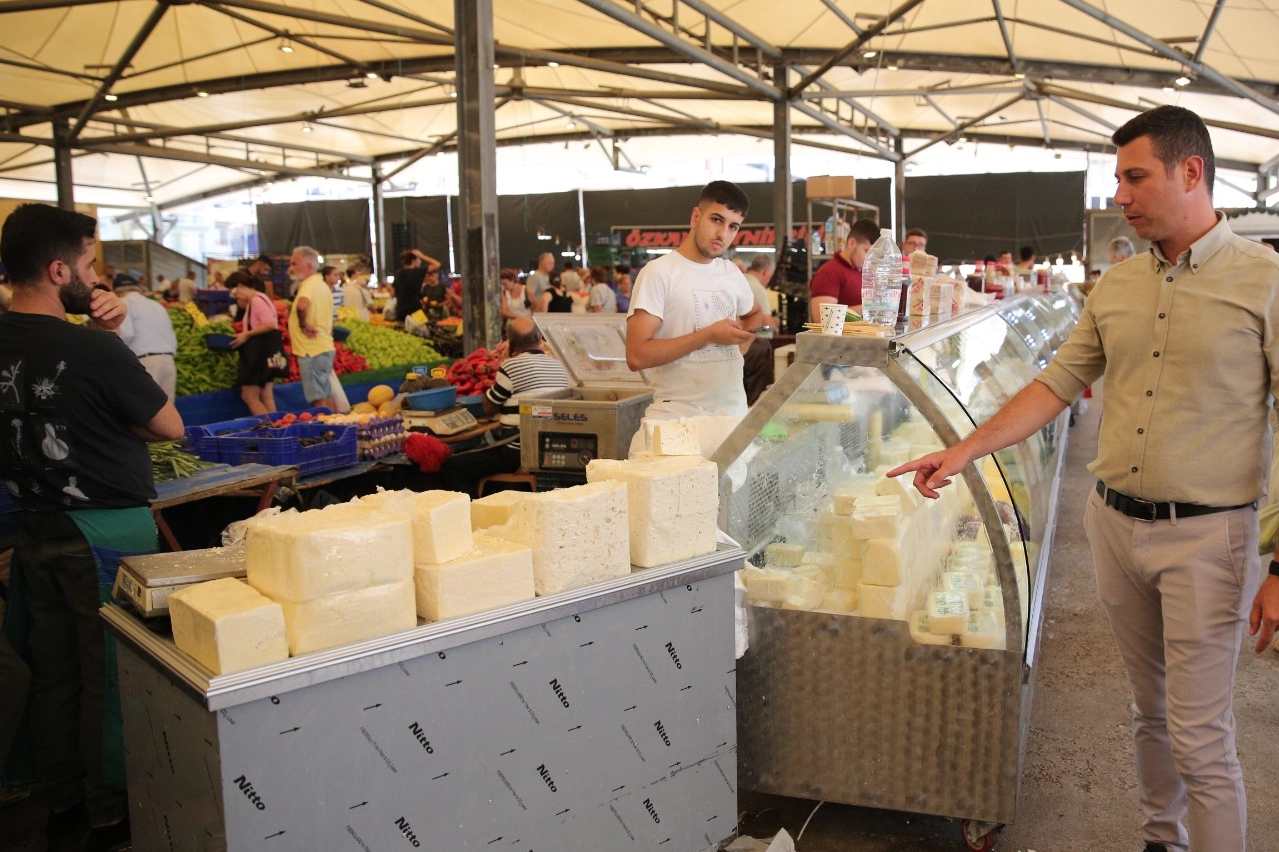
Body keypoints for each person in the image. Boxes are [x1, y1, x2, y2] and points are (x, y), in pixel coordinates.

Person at [888, 105, 1279, 852]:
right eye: (1117, 180)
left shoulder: (1261, 282)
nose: (1119, 197)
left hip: (1208, 539)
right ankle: (1160, 839)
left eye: (1135, 178)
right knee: (1148, 711)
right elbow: (1056, 382)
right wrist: (963, 451)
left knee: (1201, 736)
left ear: (1189, 172)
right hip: (1112, 526)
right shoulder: (1119, 285)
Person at [0, 203, 184, 852]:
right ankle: (111, 812)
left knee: (54, 674)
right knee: (109, 672)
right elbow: (168, 427)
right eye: (87, 265)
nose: (97, 277)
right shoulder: (91, 348)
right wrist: (107, 333)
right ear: (58, 270)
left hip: (32, 530)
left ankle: (63, 806)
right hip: (103, 531)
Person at [624, 180, 765, 434]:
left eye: (733, 226)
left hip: (731, 417)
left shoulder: (731, 273)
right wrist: (709, 335)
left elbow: (755, 313)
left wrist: (740, 348)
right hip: (675, 420)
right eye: (716, 220)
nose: (723, 234)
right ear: (696, 216)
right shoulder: (659, 272)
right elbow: (636, 356)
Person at [438, 317, 570, 497]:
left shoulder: (511, 366)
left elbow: (489, 408)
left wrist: (507, 360)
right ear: (539, 338)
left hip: (517, 449)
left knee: (454, 467)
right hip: (552, 446)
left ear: (510, 343)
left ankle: (471, 517)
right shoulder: (559, 366)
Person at [112, 275, 178, 400]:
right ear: (137, 288)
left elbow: (126, 334)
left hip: (146, 363)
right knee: (167, 413)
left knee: (145, 411)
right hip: (168, 361)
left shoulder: (123, 303)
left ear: (116, 291)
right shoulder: (156, 305)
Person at [286, 245, 335, 410]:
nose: (290, 268)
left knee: (318, 399)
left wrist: (303, 324)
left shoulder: (308, 285)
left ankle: (325, 433)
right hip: (323, 346)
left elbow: (302, 305)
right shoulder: (322, 285)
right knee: (325, 394)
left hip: (311, 350)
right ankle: (335, 428)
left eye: (294, 264)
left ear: (308, 266)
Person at [229, 270, 280, 415]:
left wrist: (246, 334)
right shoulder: (260, 298)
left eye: (233, 291)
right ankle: (277, 429)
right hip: (267, 355)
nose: (235, 296)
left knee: (249, 396)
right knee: (266, 396)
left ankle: (268, 431)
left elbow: (270, 324)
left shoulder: (256, 300)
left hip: (259, 356)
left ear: (240, 286)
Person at [809, 217, 879, 321]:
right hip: (840, 337)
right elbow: (823, 317)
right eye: (867, 251)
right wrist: (870, 308)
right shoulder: (829, 272)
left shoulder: (863, 272)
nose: (870, 259)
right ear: (852, 243)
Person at [392, 248, 440, 323]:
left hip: (400, 310)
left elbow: (393, 292)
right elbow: (437, 264)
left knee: (401, 332)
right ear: (413, 261)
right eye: (419, 259)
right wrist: (422, 256)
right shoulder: (417, 272)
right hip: (415, 310)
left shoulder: (398, 273)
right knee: (418, 331)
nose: (420, 262)